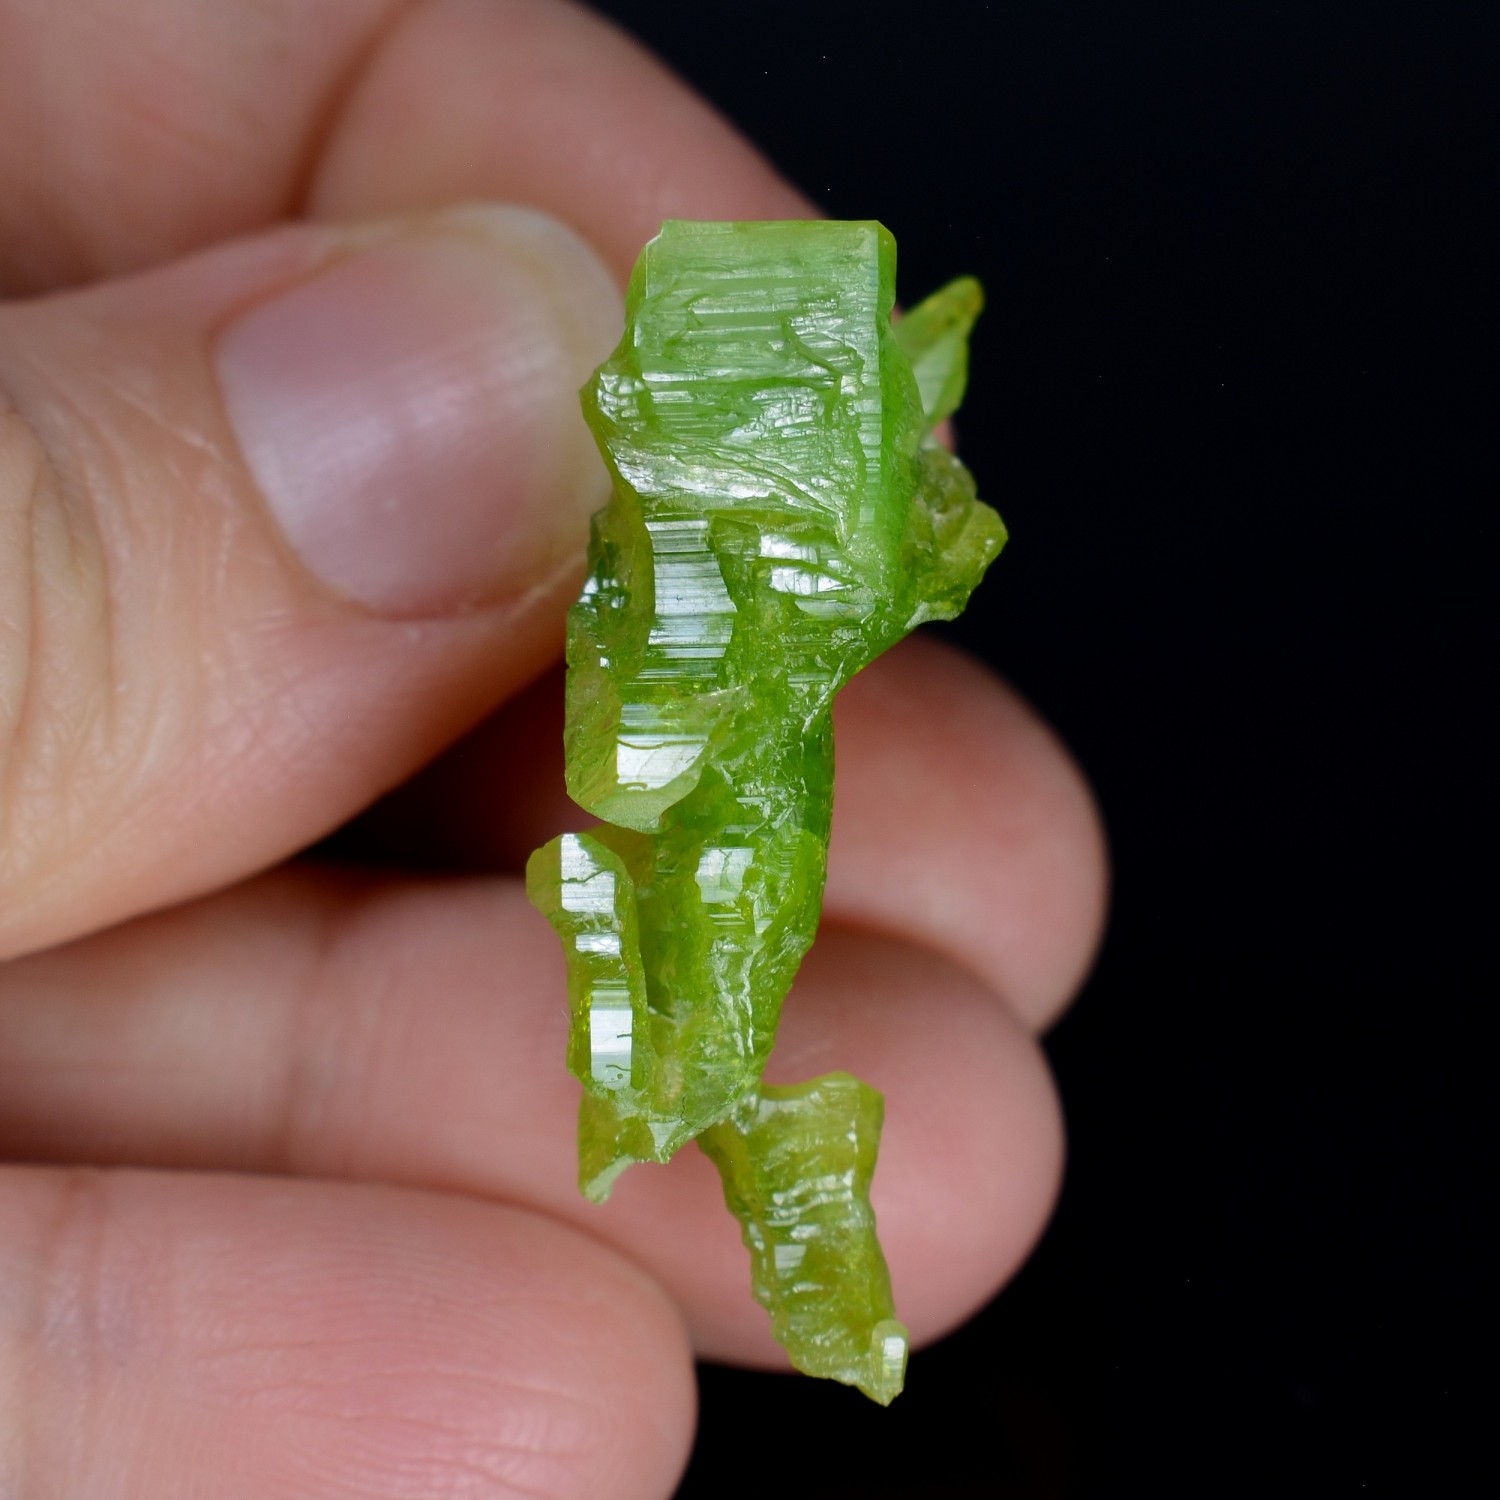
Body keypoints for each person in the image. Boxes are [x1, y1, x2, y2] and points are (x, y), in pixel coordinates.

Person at [0, 1, 1107, 1494]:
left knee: (723, 943)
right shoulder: (708, 571)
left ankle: (710, 1118)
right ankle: (701, 1111)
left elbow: (874, 570)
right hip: (682, 739)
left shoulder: (768, 571)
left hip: (711, 749)